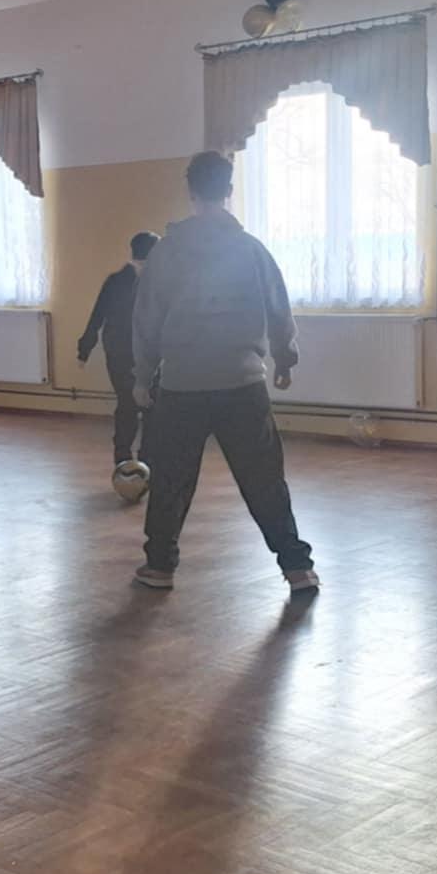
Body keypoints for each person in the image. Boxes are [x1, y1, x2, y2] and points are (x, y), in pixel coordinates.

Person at [130, 151, 316, 598]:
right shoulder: (251, 250)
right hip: (242, 384)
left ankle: (159, 566)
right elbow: (278, 308)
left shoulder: (166, 252)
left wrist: (141, 377)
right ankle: (297, 569)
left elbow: (146, 319)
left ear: (190, 191)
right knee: (264, 479)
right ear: (229, 190)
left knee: (171, 480)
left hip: (181, 386)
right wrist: (285, 360)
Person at [77, 231, 160, 465]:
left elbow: (97, 315)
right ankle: (124, 456)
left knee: (150, 406)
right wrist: (85, 348)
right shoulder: (118, 281)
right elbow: (98, 314)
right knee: (129, 403)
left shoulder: (156, 281)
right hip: (122, 353)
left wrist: (85, 349)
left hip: (148, 354)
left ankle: (144, 458)